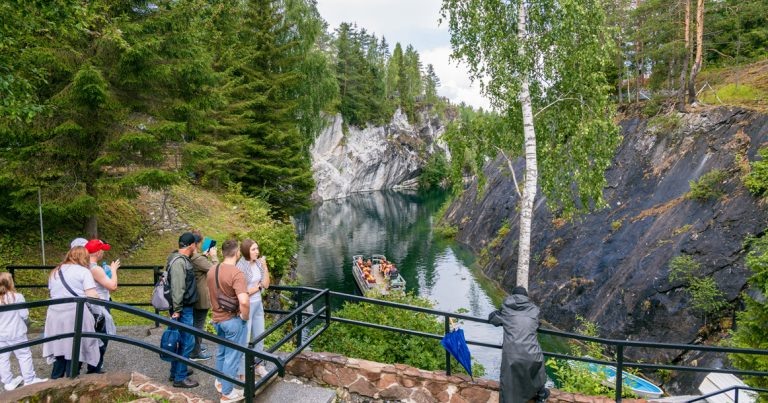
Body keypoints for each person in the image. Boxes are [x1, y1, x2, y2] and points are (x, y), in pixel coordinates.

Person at [42, 247, 102, 379]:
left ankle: (55, 379)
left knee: (60, 347)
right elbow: (91, 295)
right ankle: (72, 379)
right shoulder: (83, 272)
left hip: (55, 314)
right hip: (75, 313)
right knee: (76, 347)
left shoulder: (55, 271)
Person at [488, 286, 549, 403]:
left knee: (509, 379)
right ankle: (541, 395)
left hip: (512, 355)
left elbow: (493, 319)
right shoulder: (535, 310)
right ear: (526, 297)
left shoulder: (506, 309)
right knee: (537, 369)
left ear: (512, 297)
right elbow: (537, 324)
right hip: (532, 353)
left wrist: (497, 313)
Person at [207, 239, 249, 402]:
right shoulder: (236, 273)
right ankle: (227, 393)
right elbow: (244, 301)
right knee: (233, 356)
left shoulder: (212, 270)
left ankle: (220, 381)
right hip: (232, 320)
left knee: (222, 353)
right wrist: (244, 317)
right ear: (237, 252)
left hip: (217, 319)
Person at [0, 272, 47, 391]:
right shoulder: (17, 297)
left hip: (1, 333)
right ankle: (29, 379)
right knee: (24, 355)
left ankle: (8, 382)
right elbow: (24, 315)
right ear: (10, 282)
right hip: (16, 331)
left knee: (2, 357)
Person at [166, 232, 200, 388]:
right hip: (182, 308)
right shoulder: (180, 263)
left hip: (180, 307)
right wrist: (178, 309)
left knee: (177, 339)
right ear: (191, 245)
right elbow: (178, 288)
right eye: (195, 244)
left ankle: (176, 371)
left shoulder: (175, 258)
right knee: (187, 341)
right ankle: (180, 377)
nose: (196, 247)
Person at [236, 238, 270, 378]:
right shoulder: (241, 267)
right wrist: (257, 288)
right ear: (246, 251)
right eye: (254, 249)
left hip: (258, 305)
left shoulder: (258, 264)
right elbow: (240, 291)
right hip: (246, 305)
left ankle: (258, 365)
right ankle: (241, 373)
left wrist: (265, 266)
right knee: (244, 339)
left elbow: (266, 284)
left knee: (260, 335)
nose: (257, 252)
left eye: (257, 248)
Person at [85, 238, 120, 373]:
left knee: (94, 336)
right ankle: (94, 368)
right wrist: (113, 270)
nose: (103, 253)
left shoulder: (84, 266)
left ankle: (92, 365)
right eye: (102, 250)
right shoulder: (95, 268)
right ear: (97, 253)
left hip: (90, 305)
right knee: (102, 337)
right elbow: (113, 286)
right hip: (99, 306)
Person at [189, 230, 218, 361]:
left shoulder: (191, 257)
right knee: (198, 325)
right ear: (196, 243)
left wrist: (204, 256)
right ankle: (196, 352)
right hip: (201, 298)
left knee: (195, 323)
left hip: (193, 295)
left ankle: (196, 347)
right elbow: (216, 270)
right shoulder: (198, 259)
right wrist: (214, 256)